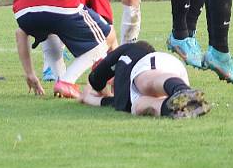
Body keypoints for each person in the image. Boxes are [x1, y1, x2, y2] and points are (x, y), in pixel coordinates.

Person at [12, 0, 116, 99]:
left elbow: (20, 33)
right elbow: (107, 29)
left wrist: (29, 73)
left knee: (50, 30)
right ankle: (66, 82)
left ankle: (60, 78)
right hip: (63, 3)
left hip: (23, 10)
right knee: (105, 39)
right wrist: (115, 68)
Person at [78, 40, 210, 119]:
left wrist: (96, 87)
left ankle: (182, 91)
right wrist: (88, 98)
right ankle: (176, 109)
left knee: (145, 82)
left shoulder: (135, 50)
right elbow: (103, 101)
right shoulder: (124, 98)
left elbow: (97, 76)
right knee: (139, 107)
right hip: (164, 82)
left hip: (155, 66)